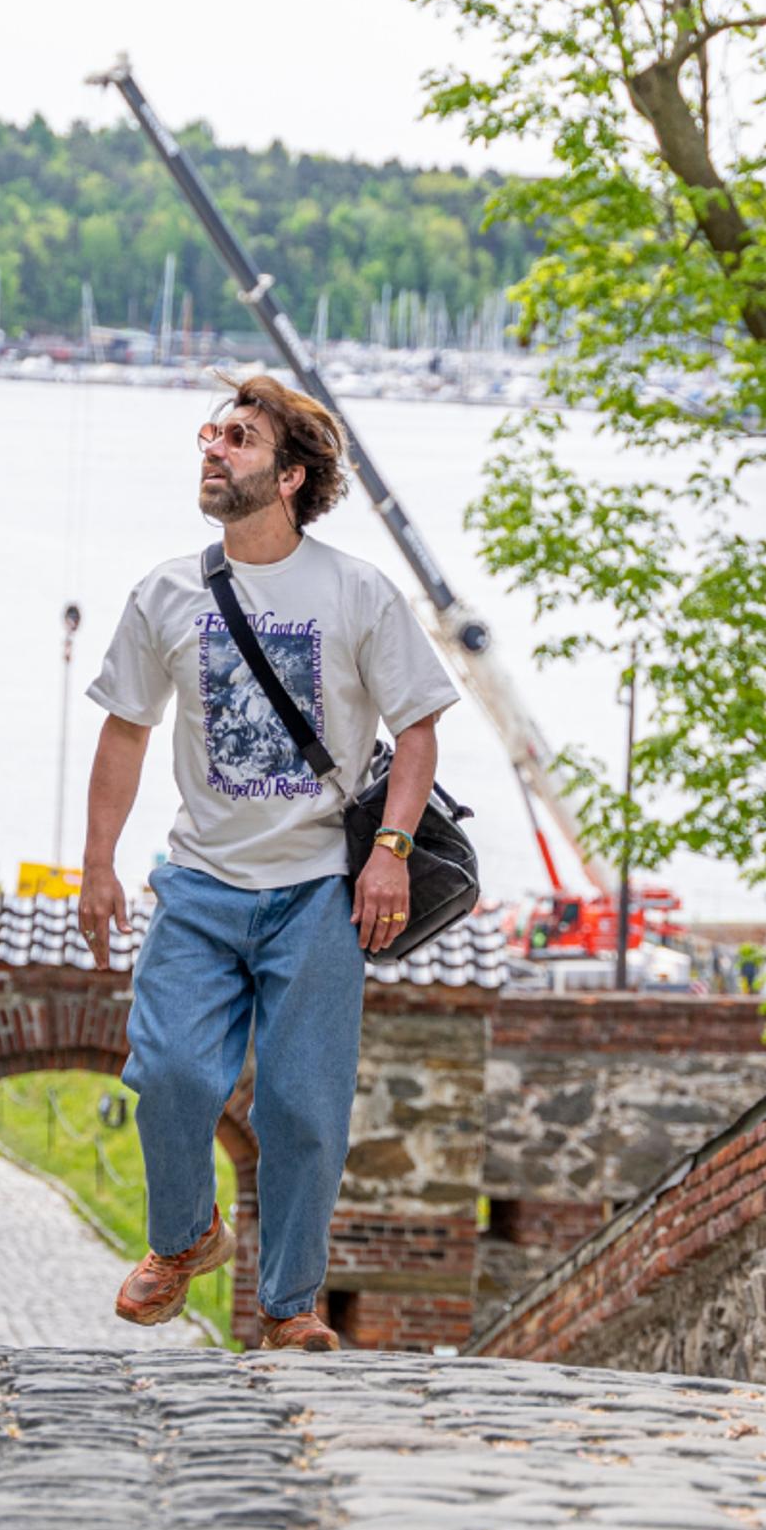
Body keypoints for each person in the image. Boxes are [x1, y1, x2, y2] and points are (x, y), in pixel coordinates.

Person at [81, 375, 459, 1350]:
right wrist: (97, 865)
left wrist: (389, 853)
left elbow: (417, 729)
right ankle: (186, 1238)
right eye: (210, 434)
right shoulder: (165, 592)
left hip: (319, 895)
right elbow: (124, 733)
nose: (213, 450)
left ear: (290, 476)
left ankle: (289, 1310)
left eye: (239, 438)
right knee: (167, 1071)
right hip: (200, 883)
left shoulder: (356, 591)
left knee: (302, 1109)